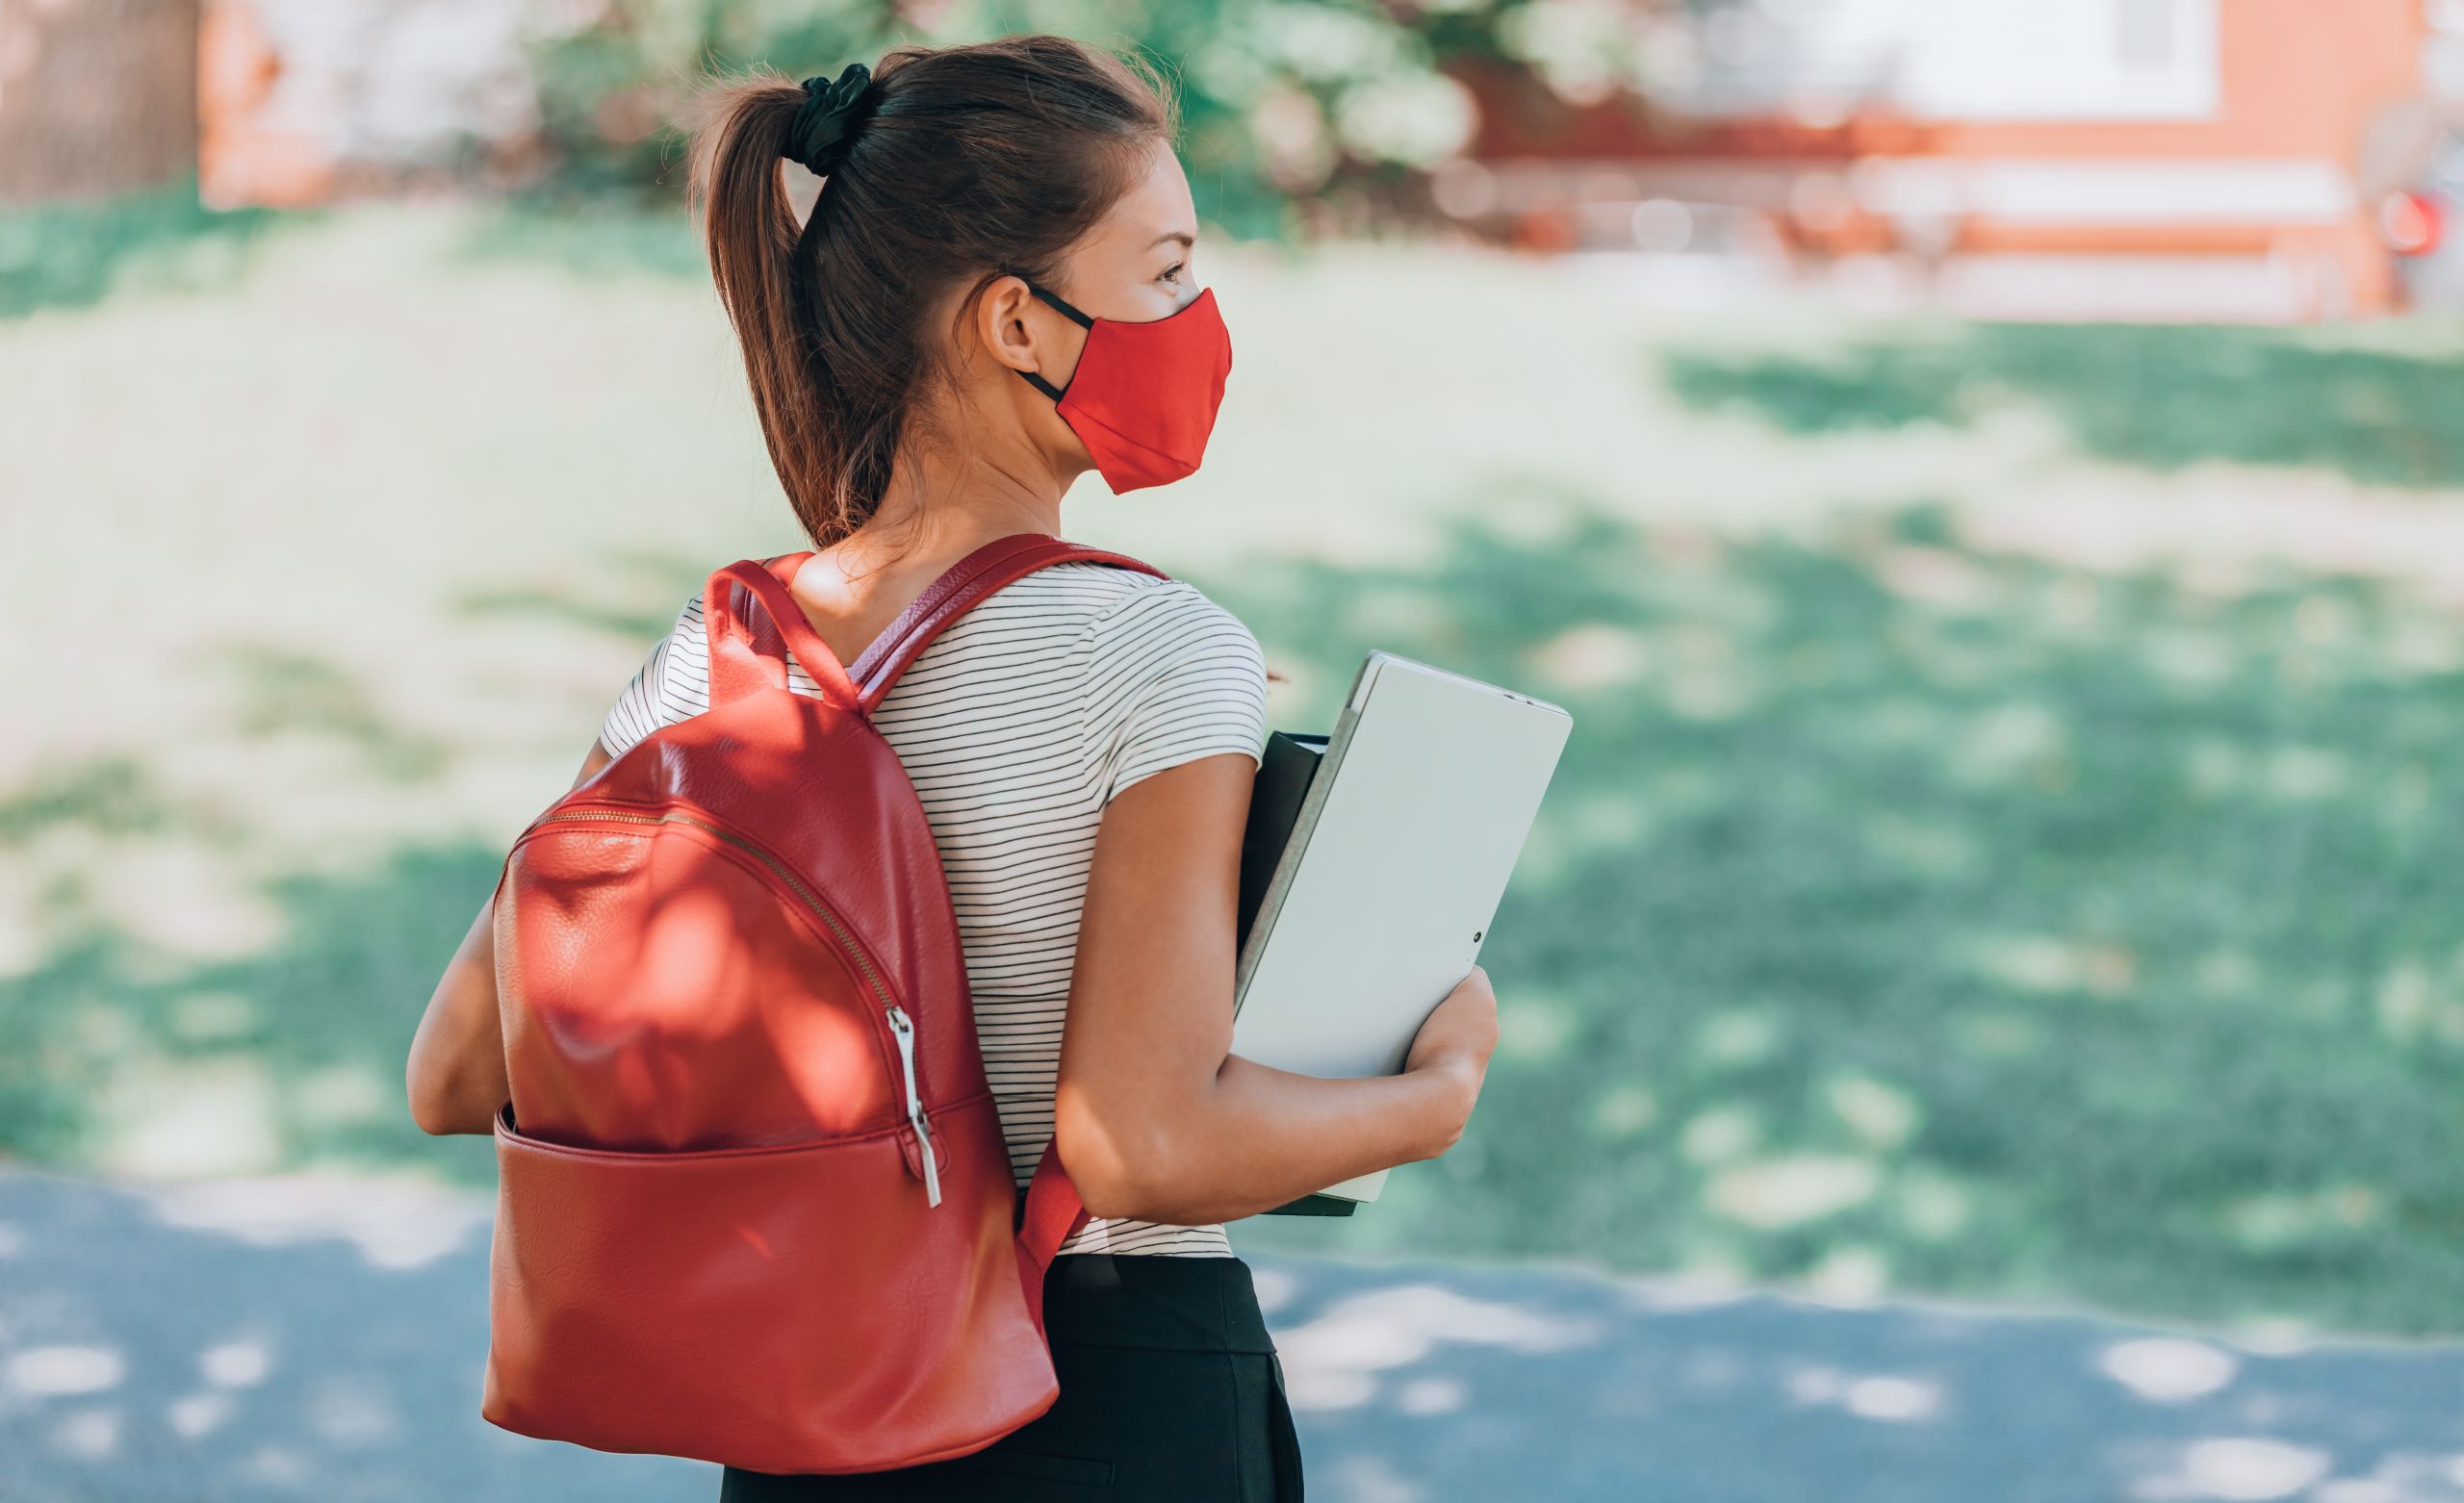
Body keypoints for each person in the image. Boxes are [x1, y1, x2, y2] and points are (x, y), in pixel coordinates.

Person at [404, 32, 1500, 1503]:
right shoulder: (1160, 649)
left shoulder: (716, 658)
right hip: (1109, 1388)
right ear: (1016, 324)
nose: (1200, 312)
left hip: (811, 1400)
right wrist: (1431, 1092)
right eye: (1167, 268)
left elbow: (455, 1069)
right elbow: (1142, 1142)